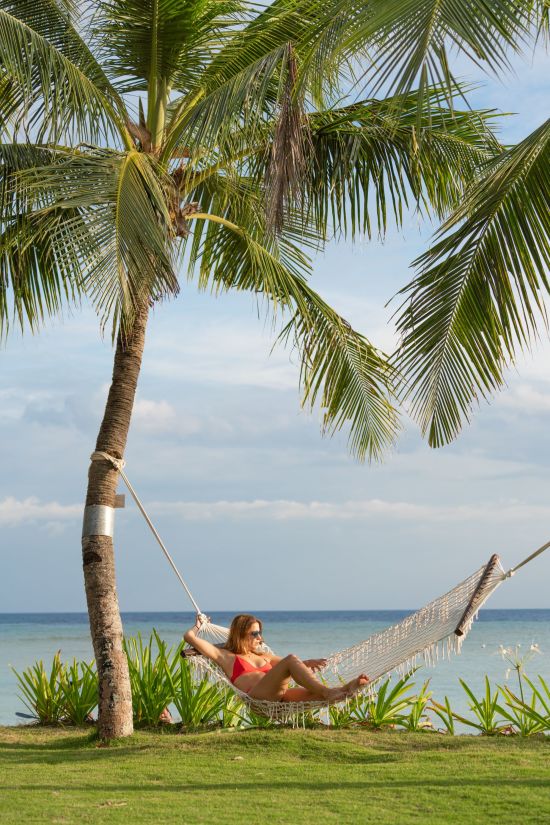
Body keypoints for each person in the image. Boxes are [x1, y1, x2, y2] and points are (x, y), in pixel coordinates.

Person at [183, 613, 369, 702]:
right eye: (254, 634)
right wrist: (200, 625)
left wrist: (307, 663)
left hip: (278, 697)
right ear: (240, 635)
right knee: (291, 659)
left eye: (260, 633)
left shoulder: (263, 655)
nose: (260, 638)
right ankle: (328, 691)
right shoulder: (226, 656)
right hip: (259, 697)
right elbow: (189, 638)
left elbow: (290, 668)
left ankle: (346, 689)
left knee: (317, 696)